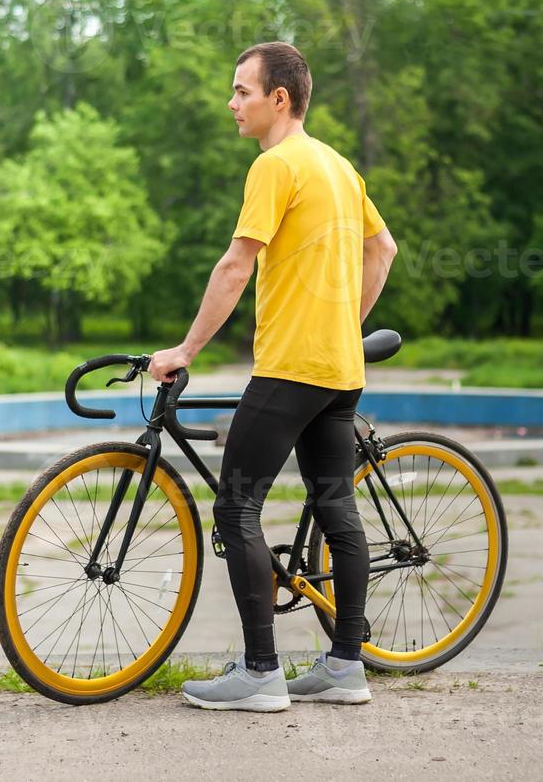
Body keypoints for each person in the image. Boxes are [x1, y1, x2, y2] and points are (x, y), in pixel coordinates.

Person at [149, 41, 397, 712]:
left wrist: (184, 349)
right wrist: (345, 322)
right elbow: (383, 249)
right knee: (336, 506)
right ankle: (345, 665)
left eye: (241, 92)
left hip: (291, 367)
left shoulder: (275, 165)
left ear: (278, 99)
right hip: (339, 370)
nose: (231, 104)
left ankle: (260, 672)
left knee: (235, 508)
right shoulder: (338, 167)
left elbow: (235, 264)